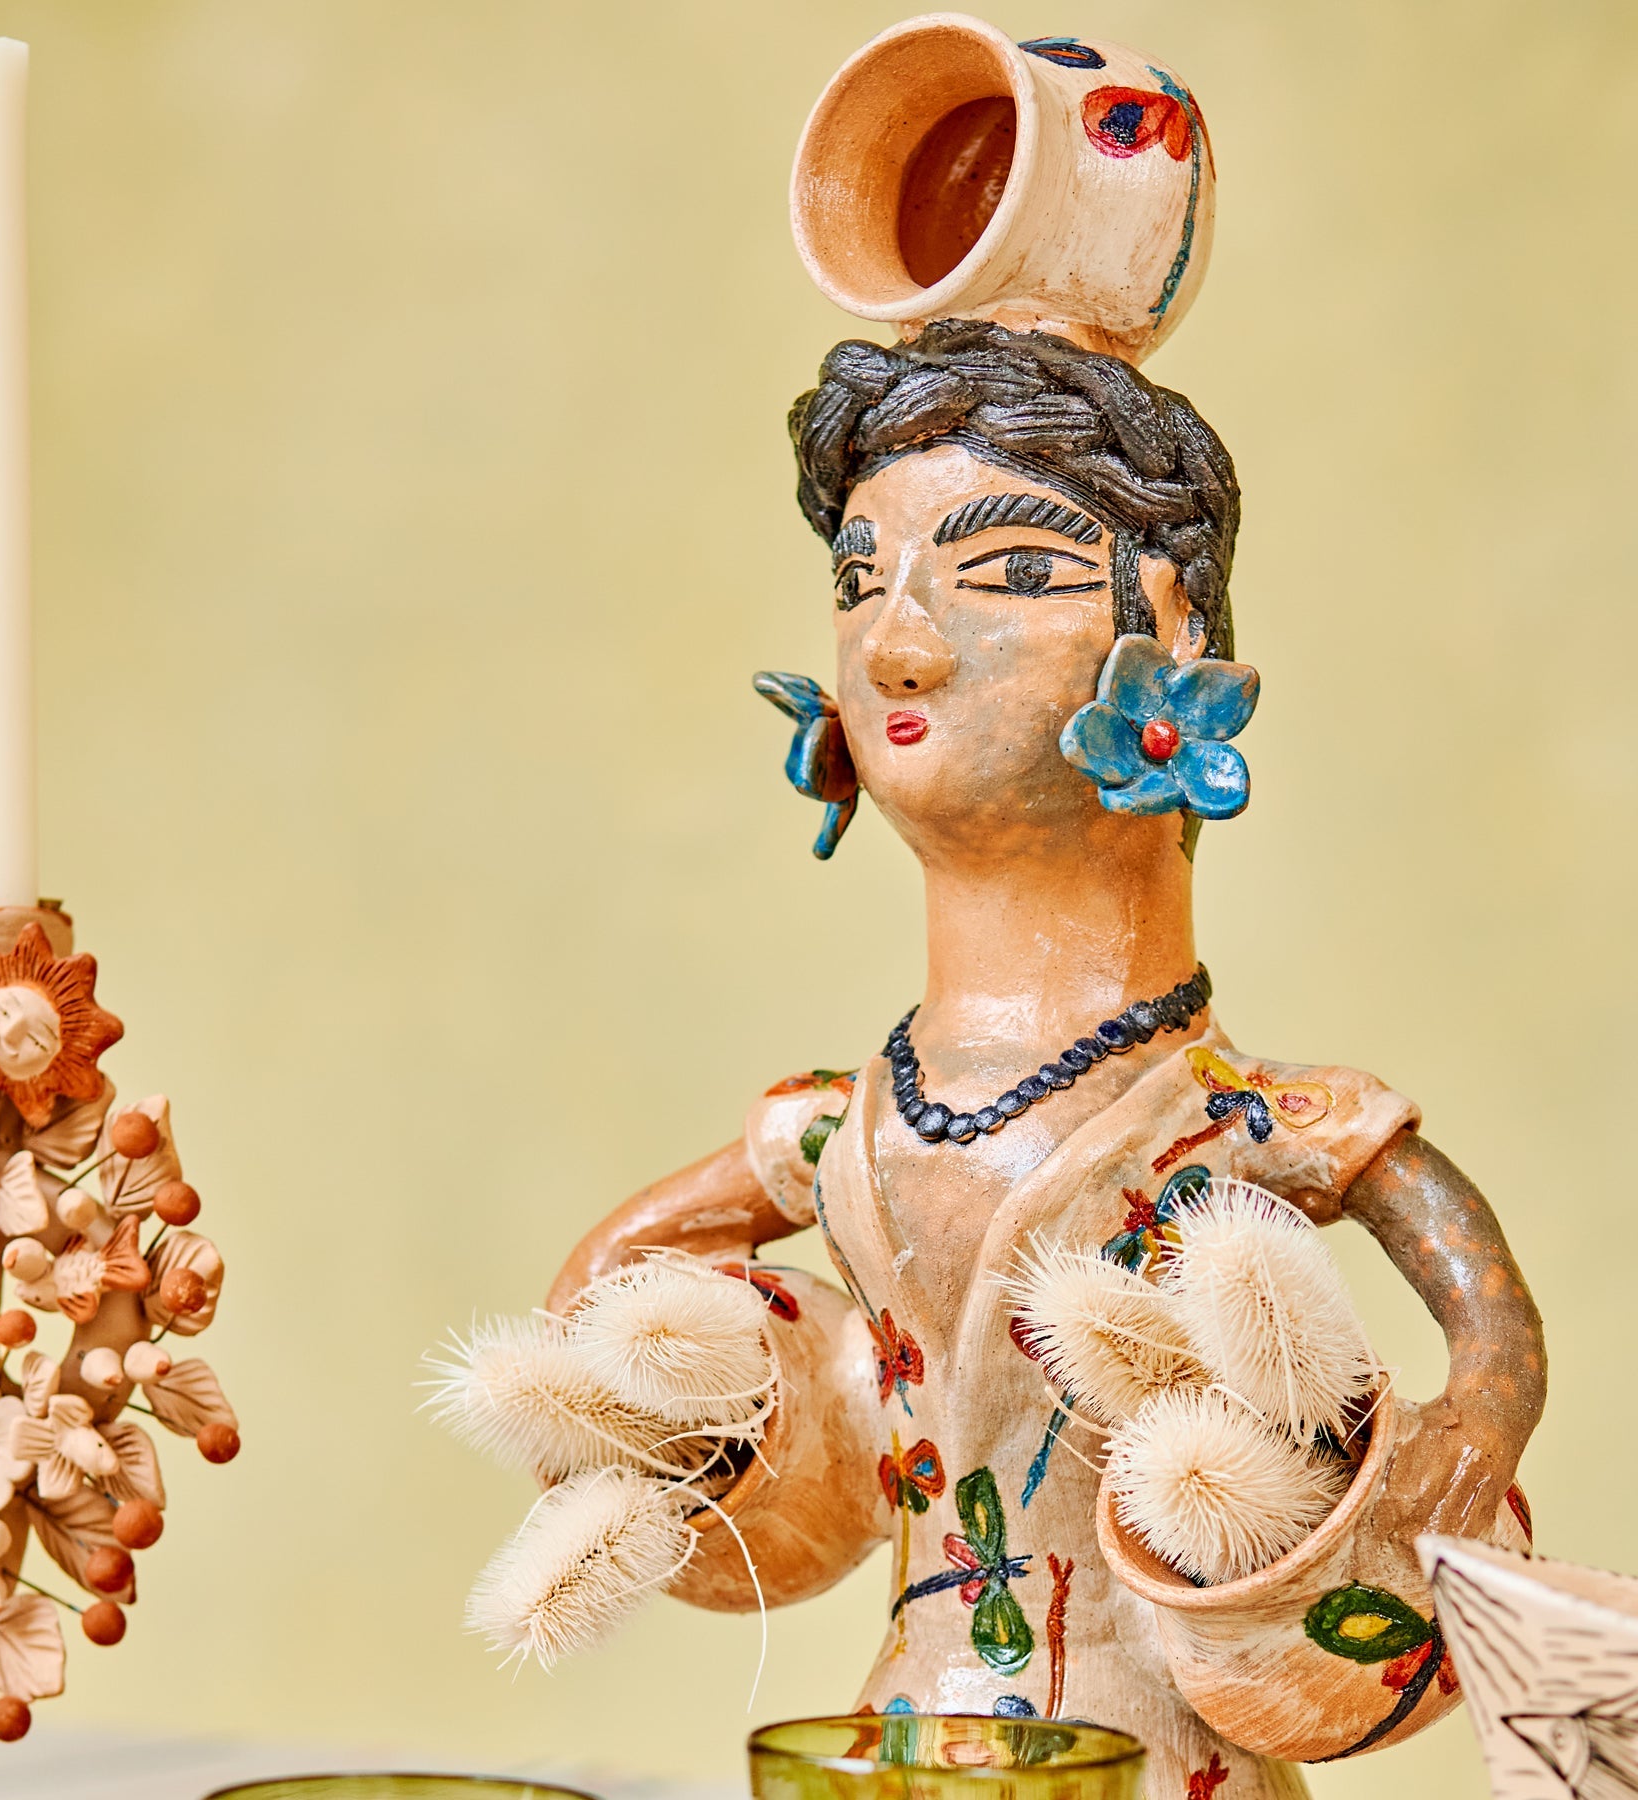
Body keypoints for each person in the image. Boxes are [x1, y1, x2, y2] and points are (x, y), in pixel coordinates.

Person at [549, 320, 1545, 1797]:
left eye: (1012, 574)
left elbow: (1482, 1307)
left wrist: (1477, 1415)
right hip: (915, 1735)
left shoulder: (1226, 1116)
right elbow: (604, 1280)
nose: (897, 641)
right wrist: (652, 1407)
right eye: (858, 582)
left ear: (1173, 636)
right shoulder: (850, 1128)